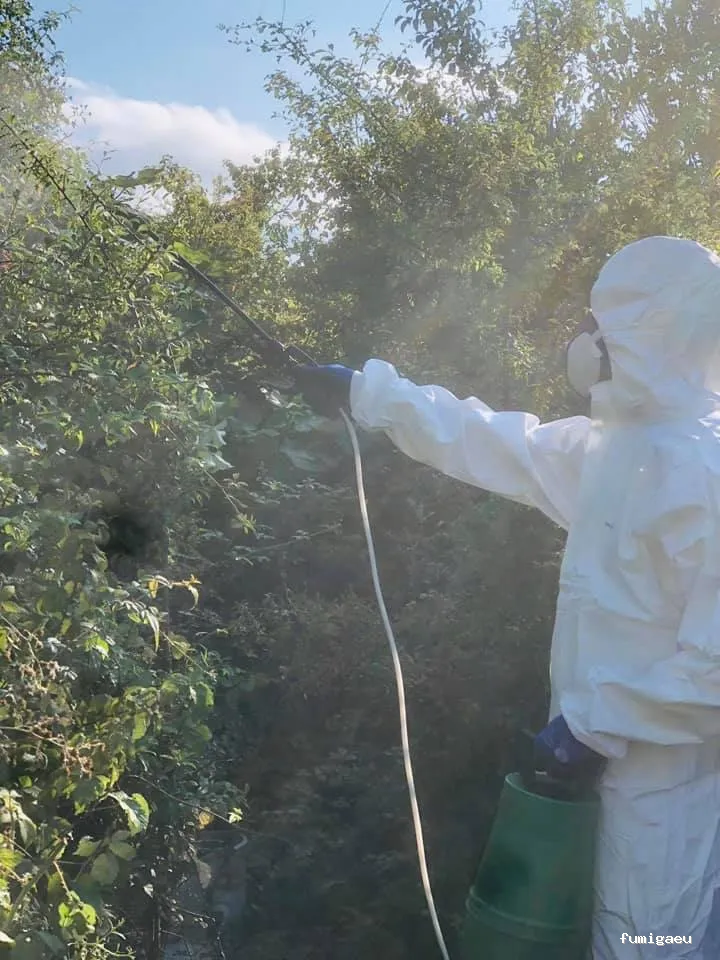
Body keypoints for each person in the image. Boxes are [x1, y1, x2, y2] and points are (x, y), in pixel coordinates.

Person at [293, 236, 720, 959]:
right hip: (593, 764)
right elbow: (490, 439)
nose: (584, 340)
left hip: (664, 792)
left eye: (600, 323)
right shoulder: (611, 449)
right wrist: (367, 393)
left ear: (648, 330)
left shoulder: (704, 471)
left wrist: (595, 727)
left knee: (653, 943)